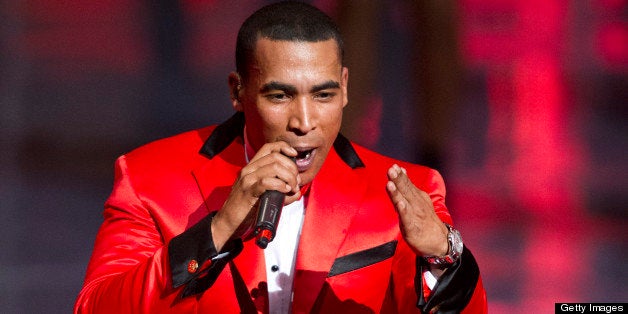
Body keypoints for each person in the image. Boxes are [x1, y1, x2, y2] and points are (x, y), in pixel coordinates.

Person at [75, 1, 487, 313]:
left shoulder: (406, 189)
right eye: (280, 95)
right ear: (238, 91)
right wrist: (219, 229)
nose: (304, 121)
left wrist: (445, 253)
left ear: (346, 87)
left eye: (323, 95)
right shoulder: (148, 177)